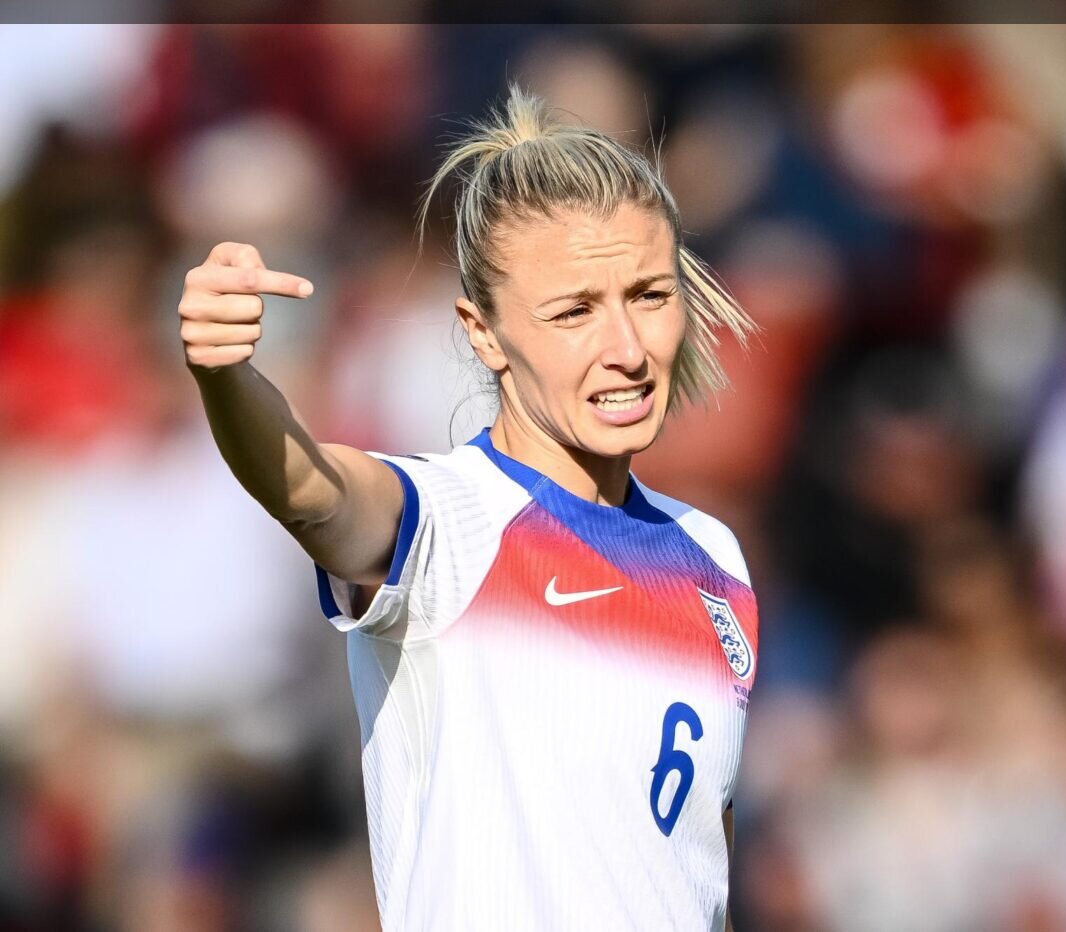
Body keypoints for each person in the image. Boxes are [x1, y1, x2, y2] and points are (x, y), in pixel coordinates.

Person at [177, 86, 760, 931]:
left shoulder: (715, 560)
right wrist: (224, 375)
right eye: (574, 311)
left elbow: (697, 871)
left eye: (649, 295)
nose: (627, 349)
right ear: (483, 332)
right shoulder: (448, 522)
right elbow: (309, 487)